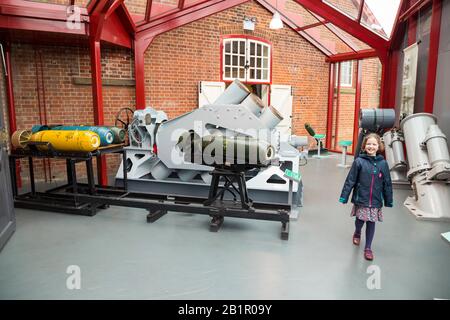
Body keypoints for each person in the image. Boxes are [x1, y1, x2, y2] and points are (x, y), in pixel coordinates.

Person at [339, 133, 393, 261]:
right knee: (360, 220)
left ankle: (368, 248)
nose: (371, 146)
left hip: (375, 200)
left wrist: (388, 200)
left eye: (374, 144)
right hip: (361, 198)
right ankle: (357, 232)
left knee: (371, 222)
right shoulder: (359, 162)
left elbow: (387, 183)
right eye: (368, 144)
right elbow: (350, 180)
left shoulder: (383, 164)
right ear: (364, 146)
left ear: (378, 146)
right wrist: (344, 196)